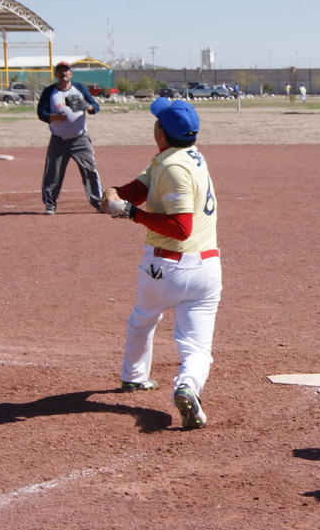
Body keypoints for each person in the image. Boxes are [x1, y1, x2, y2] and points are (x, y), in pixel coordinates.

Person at [100, 97, 221, 429]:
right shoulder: (184, 157)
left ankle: (135, 376)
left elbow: (181, 228)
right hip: (206, 268)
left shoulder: (172, 167)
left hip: (166, 267)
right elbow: (139, 188)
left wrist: (131, 213)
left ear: (161, 132)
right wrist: (113, 193)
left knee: (143, 319)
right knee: (196, 348)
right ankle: (187, 387)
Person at [36, 61, 103, 214]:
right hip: (58, 138)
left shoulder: (79, 88)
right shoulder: (50, 91)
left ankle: (98, 202)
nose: (63, 73)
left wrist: (87, 107)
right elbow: (41, 112)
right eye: (60, 71)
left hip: (80, 138)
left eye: (66, 70)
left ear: (70, 74)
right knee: (53, 172)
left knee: (90, 170)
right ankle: (50, 204)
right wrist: (53, 117)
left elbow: (95, 106)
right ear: (56, 75)